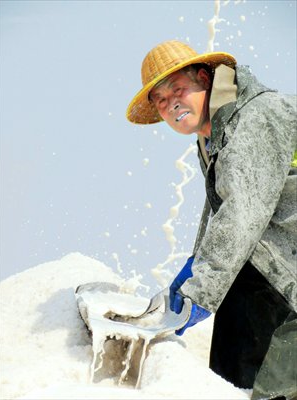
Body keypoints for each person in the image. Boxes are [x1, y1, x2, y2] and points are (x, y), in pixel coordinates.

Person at [126, 40, 297, 400]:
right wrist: (195, 266)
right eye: (159, 99)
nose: (170, 102)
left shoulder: (256, 117)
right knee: (229, 387)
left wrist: (201, 290)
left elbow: (241, 212)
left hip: (288, 284)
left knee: (270, 391)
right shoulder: (213, 136)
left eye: (178, 88)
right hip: (268, 275)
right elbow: (222, 208)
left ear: (204, 78)